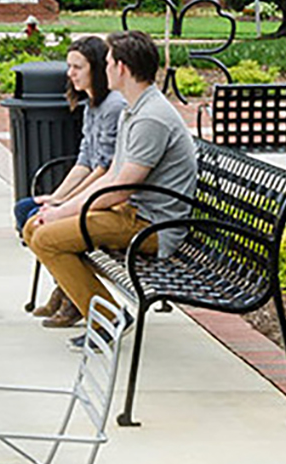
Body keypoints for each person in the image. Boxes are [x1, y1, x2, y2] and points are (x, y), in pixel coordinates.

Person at [23, 30, 197, 348]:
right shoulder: (134, 109)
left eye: (107, 62)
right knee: (35, 226)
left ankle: (109, 320)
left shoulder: (151, 118)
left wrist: (63, 212)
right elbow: (111, 176)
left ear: (122, 68)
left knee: (46, 238)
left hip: (152, 225)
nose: (103, 69)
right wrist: (60, 207)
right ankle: (97, 310)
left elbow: (119, 189)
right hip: (129, 213)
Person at [18, 36, 127, 328]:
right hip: (99, 196)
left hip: (117, 205)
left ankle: (84, 303)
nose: (70, 73)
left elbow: (104, 171)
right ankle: (69, 290)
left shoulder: (115, 106)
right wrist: (56, 197)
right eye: (69, 66)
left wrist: (64, 204)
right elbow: (84, 160)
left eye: (77, 67)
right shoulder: (92, 104)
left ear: (97, 68)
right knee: (27, 213)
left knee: (39, 223)